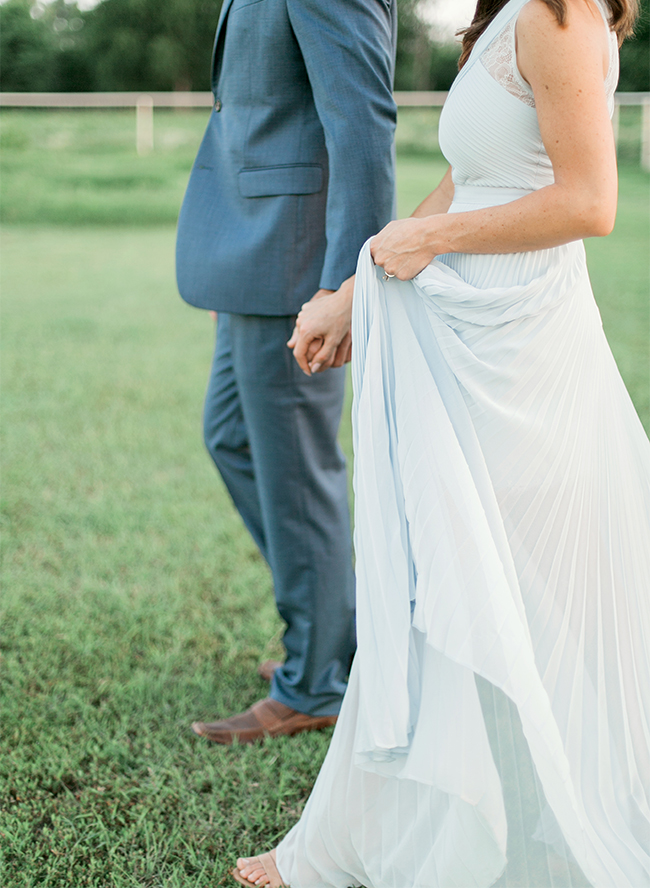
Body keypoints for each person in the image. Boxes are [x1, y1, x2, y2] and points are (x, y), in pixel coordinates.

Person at [232, 0, 650, 885]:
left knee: (538, 594)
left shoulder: (558, 15)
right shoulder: (504, 16)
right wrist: (358, 286)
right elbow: (472, 177)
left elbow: (589, 201)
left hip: (520, 349)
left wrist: (425, 238)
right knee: (433, 577)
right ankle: (376, 835)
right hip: (464, 331)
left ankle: (550, 815)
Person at [175, 0, 397, 745]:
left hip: (295, 260)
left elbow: (362, 119)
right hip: (248, 255)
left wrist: (344, 285)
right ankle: (336, 632)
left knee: (298, 474)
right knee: (230, 436)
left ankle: (318, 680)